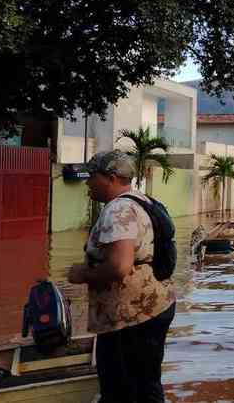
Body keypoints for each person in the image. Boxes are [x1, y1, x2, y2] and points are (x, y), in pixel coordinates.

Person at [66, 150, 175, 403]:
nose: (87, 182)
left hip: (131, 316)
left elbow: (119, 266)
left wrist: (83, 274)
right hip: (154, 305)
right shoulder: (141, 200)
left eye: (92, 176)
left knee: (122, 390)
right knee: (145, 385)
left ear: (111, 177)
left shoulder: (118, 210)